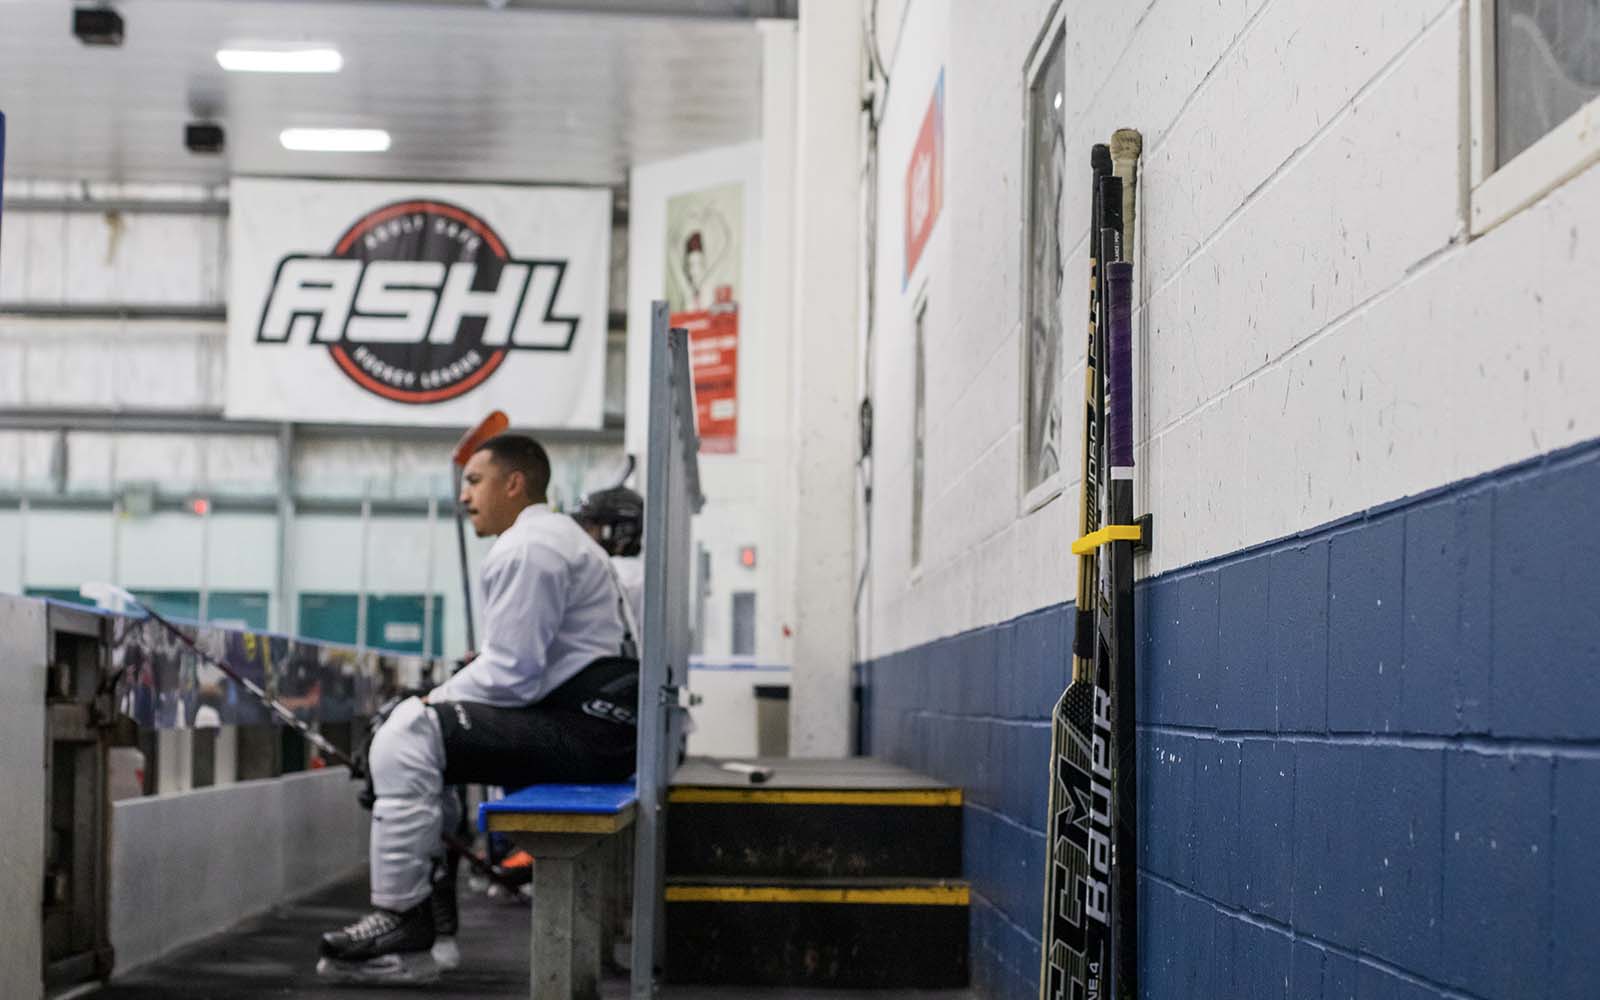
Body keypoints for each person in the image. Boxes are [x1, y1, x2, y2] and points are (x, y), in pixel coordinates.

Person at [317, 434, 638, 984]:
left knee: (408, 734)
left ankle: (402, 920)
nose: (464, 496)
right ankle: (431, 923)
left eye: (474, 481)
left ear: (514, 484)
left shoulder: (529, 547)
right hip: (598, 727)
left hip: (587, 734)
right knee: (419, 739)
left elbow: (513, 674)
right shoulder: (552, 537)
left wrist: (419, 706)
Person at [573, 484, 644, 632]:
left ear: (618, 532)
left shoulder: (619, 573)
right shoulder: (638, 572)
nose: (584, 535)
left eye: (590, 527)